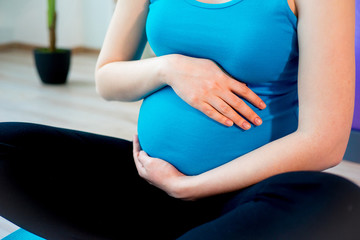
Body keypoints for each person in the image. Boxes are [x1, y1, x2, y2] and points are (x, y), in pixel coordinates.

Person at [0, 0, 360, 239]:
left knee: (338, 199)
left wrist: (189, 186)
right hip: (147, 181)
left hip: (249, 197)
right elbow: (106, 79)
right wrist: (169, 68)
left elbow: (324, 141)